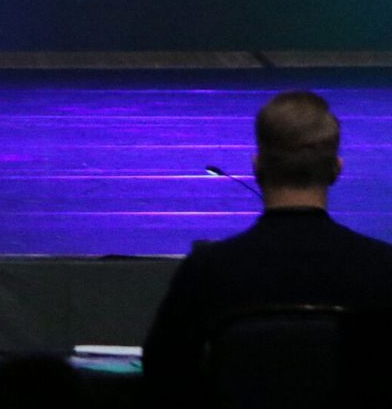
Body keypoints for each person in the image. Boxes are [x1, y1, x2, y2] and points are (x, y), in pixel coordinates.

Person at [142, 91, 392, 397]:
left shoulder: (206, 271)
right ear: (336, 168)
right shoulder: (382, 268)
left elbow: (165, 377)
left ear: (257, 166)